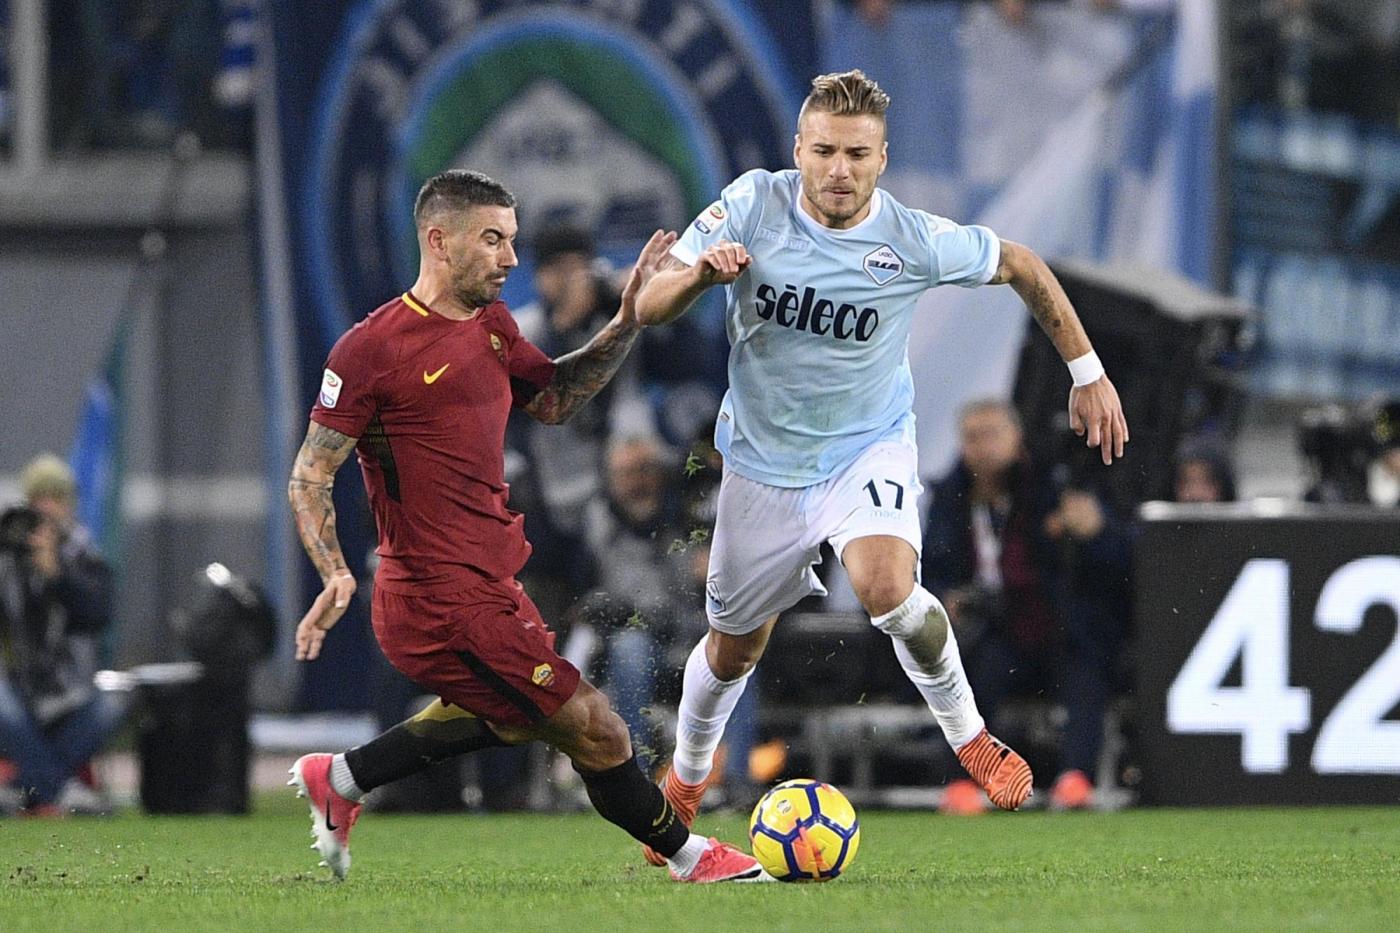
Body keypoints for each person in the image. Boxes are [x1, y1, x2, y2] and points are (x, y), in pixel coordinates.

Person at [632, 70, 1128, 854]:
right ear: (799, 149)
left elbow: (1023, 265)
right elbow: (648, 302)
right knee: (732, 649)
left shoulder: (911, 239)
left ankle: (970, 736)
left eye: (857, 155)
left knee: (888, 587)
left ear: (882, 159)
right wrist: (698, 274)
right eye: (824, 151)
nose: (839, 169)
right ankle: (685, 784)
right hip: (761, 463)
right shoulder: (752, 203)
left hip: (868, 446)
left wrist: (1088, 373)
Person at [285, 170, 768, 884]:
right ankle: (689, 855)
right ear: (439, 241)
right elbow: (310, 472)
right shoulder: (371, 349)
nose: (511, 258)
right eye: (493, 240)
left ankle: (343, 777)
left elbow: (555, 400)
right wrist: (333, 570)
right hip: (435, 597)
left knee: (515, 717)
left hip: (494, 584)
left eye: (512, 240)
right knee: (597, 727)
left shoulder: (492, 327)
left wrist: (625, 322)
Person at [0, 454, 125, 815]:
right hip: (20, 687)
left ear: (69, 504)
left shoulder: (84, 555)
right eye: (38, 498)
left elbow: (97, 616)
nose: (46, 508)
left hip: (73, 690)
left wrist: (56, 574)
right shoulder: (9, 557)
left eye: (55, 498)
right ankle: (66, 792)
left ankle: (22, 791)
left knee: (115, 705)